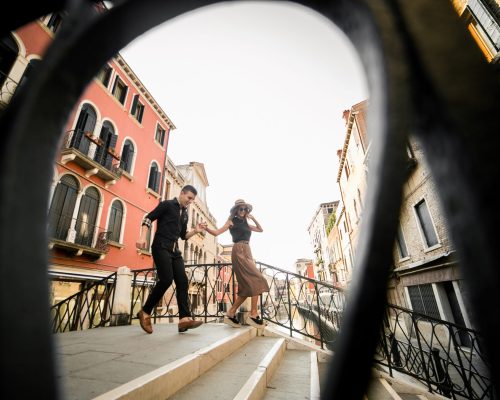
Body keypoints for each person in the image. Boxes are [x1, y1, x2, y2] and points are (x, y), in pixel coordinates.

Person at [136, 185, 206, 333]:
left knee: (182, 281)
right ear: (182, 194)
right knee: (166, 279)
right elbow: (148, 219)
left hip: (175, 251)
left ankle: (184, 319)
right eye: (189, 198)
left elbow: (183, 236)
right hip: (161, 246)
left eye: (192, 200)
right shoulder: (167, 205)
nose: (190, 201)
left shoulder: (185, 214)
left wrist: (195, 231)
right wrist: (143, 237)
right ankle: (145, 311)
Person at [203, 199, 269, 328]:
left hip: (248, 250)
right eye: (240, 209)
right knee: (258, 279)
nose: (243, 211)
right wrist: (206, 228)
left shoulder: (246, 223)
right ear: (236, 210)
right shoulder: (231, 221)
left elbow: (260, 230)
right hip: (238, 250)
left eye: (245, 209)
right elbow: (217, 232)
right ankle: (253, 314)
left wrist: (253, 219)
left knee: (246, 287)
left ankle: (231, 313)